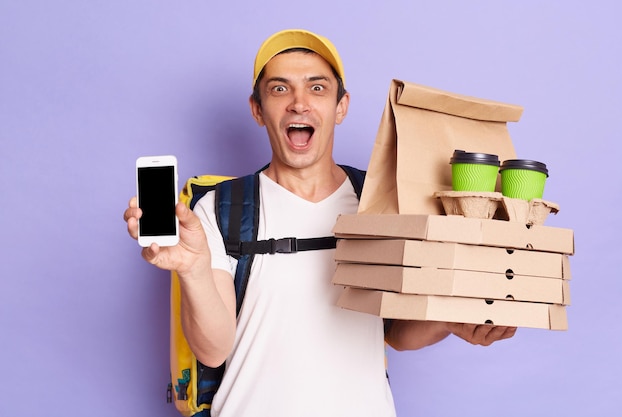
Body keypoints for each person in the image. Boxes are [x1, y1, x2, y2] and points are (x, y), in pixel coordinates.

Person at [124, 29, 516, 416]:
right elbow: (213, 348)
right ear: (258, 109)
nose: (298, 103)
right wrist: (192, 270)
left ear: (340, 106)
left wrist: (450, 321)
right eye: (279, 89)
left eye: (317, 88)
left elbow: (398, 333)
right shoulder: (221, 208)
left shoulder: (379, 202)